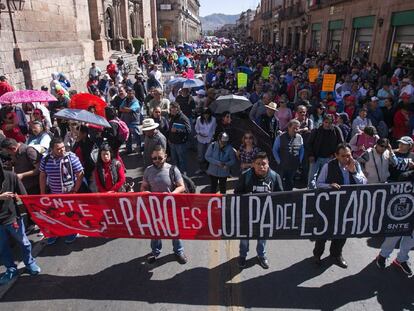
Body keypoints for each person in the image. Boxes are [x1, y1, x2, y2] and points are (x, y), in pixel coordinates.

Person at [313, 144, 367, 268]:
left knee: (343, 232)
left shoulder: (355, 165)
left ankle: (336, 254)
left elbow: (364, 183)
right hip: (330, 206)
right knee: (324, 232)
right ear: (336, 156)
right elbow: (319, 183)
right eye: (343, 156)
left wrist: (354, 172)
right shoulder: (328, 166)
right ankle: (317, 254)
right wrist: (329, 185)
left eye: (349, 155)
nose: (347, 159)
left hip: (348, 206)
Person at [234, 152, 283, 269]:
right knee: (245, 238)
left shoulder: (275, 177)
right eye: (258, 164)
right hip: (247, 215)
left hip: (265, 216)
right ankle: (242, 255)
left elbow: (282, 197)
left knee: (262, 237)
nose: (261, 166)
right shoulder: (246, 176)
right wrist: (246, 196)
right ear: (253, 165)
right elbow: (236, 194)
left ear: (268, 164)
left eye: (264, 164)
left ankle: (261, 255)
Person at [140, 146, 188, 264]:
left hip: (171, 207)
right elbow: (144, 186)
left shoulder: (173, 169)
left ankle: (179, 251)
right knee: (156, 230)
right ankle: (155, 251)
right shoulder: (148, 170)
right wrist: (144, 192)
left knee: (174, 230)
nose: (157, 160)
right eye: (154, 158)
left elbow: (181, 186)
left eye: (160, 158)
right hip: (154, 207)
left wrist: (172, 194)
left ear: (165, 157)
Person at [0, 162, 41, 285]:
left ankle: (30, 263)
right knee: (2, 247)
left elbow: (24, 195)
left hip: (12, 218)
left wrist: (35, 214)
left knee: (24, 242)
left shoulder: (10, 176)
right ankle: (11, 269)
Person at [39, 137, 84, 245]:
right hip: (53, 194)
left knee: (70, 215)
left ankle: (72, 232)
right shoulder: (45, 159)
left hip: (69, 194)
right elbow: (42, 176)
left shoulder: (72, 158)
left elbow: (80, 174)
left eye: (63, 147)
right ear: (52, 149)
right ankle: (55, 233)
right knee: (55, 215)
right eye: (59, 149)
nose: (62, 150)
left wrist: (75, 190)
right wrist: (42, 193)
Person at [307, 114, 344, 187]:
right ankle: (311, 193)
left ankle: (323, 193)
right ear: (323, 122)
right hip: (316, 157)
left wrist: (335, 154)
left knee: (326, 177)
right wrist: (311, 155)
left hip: (329, 158)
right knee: (312, 177)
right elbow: (309, 143)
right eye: (326, 122)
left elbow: (341, 144)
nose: (327, 124)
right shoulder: (316, 130)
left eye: (330, 122)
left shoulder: (336, 130)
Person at [273, 119, 304, 191]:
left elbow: (302, 150)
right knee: (279, 182)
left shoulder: (300, 137)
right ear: (289, 127)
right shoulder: (280, 137)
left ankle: (288, 198)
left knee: (290, 182)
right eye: (294, 128)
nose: (296, 130)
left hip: (293, 165)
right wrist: (279, 161)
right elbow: (275, 150)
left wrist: (299, 160)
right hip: (282, 165)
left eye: (297, 128)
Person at [168, 102, 191, 173]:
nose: (170, 110)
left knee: (182, 160)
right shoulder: (172, 116)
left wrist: (177, 130)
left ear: (177, 109)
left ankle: (183, 176)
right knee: (174, 160)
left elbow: (188, 130)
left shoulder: (183, 118)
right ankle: (176, 174)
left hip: (180, 143)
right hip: (173, 142)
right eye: (170, 109)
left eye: (172, 109)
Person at [119, 88, 142, 154]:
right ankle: (129, 149)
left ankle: (139, 149)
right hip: (126, 121)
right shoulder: (125, 100)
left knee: (137, 136)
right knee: (127, 136)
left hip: (133, 122)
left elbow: (130, 110)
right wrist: (125, 109)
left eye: (130, 93)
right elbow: (120, 108)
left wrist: (125, 109)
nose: (128, 95)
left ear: (133, 94)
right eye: (128, 93)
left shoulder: (136, 102)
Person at [195, 107, 216, 175]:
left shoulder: (213, 119)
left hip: (209, 139)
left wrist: (212, 136)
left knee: (208, 154)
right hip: (200, 139)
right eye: (204, 114)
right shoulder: (198, 119)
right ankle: (200, 168)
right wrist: (199, 133)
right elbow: (196, 128)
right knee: (200, 154)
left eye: (207, 114)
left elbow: (213, 129)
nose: (206, 116)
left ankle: (208, 169)